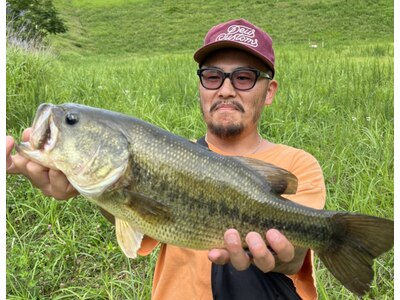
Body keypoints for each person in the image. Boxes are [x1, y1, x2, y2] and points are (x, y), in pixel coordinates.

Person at [7, 19, 325, 299]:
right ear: (201, 85)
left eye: (243, 78)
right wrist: (80, 186)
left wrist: (284, 254)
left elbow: (295, 257)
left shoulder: (296, 164)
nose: (226, 90)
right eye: (213, 76)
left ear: (268, 91)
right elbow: (142, 220)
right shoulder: (172, 153)